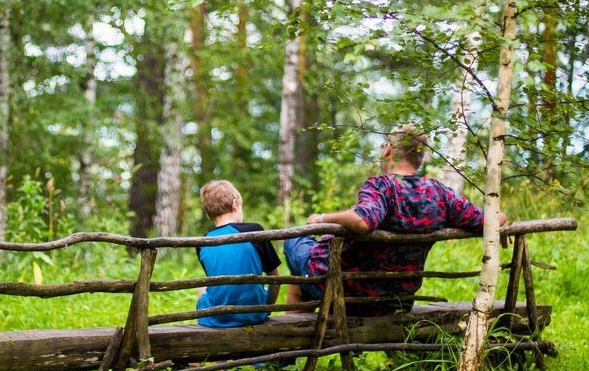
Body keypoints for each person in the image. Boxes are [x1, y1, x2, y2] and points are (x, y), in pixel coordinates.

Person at [284, 125, 504, 316]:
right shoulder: (439, 194)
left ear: (388, 150)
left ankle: (288, 355)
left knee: (296, 242)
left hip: (347, 291)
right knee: (301, 279)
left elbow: (363, 221)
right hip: (395, 299)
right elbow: (495, 218)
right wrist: (502, 223)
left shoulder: (382, 186)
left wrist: (322, 218)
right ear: (420, 158)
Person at [195, 180, 282, 327]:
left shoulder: (203, 242)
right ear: (235, 205)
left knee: (202, 288)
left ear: (208, 215)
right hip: (254, 314)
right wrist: (267, 308)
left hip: (216, 318)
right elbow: (275, 276)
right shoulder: (254, 231)